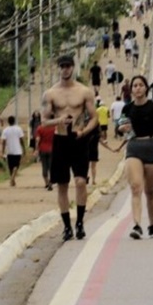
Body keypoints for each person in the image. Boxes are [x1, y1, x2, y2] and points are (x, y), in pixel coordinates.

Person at [42, 54, 99, 242]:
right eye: (62, 66)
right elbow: (44, 121)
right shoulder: (51, 93)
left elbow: (94, 117)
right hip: (60, 139)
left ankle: (80, 222)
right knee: (62, 184)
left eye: (68, 66)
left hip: (78, 138)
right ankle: (67, 226)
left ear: (73, 67)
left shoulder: (84, 91)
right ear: (58, 68)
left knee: (81, 181)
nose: (65, 69)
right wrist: (59, 120)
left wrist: (84, 131)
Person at [115, 75, 153, 239]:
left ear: (146, 88)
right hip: (134, 148)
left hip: (152, 147)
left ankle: (152, 223)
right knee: (136, 187)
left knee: (149, 191)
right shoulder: (127, 108)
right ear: (131, 90)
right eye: (135, 85)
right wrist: (120, 129)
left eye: (140, 85)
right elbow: (119, 128)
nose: (137, 88)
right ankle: (137, 225)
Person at [0, 116, 26, 187]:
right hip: (17, 151)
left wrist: (2, 151)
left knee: (10, 167)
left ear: (8, 122)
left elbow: (3, 142)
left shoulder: (5, 130)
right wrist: (24, 149)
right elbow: (21, 140)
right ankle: (12, 179)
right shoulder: (18, 129)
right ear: (14, 121)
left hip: (9, 151)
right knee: (16, 166)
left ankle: (12, 180)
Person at [35, 120, 55, 191]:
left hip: (42, 150)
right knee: (51, 167)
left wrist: (36, 149)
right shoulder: (54, 128)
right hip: (52, 149)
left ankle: (47, 182)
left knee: (44, 166)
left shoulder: (40, 128)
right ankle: (50, 183)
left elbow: (38, 139)